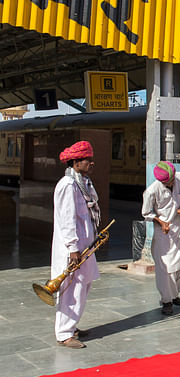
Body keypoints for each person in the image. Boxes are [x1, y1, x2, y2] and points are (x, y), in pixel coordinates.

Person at [52, 141, 100, 349]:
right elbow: (67, 219)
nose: (91, 162)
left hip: (85, 245)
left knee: (83, 286)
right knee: (72, 289)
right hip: (74, 249)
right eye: (87, 159)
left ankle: (72, 325)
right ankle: (64, 333)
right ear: (76, 162)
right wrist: (73, 249)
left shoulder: (83, 182)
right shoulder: (68, 185)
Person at [142, 161, 180, 316]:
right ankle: (167, 301)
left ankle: (174, 294)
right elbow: (146, 213)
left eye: (172, 180)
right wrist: (161, 222)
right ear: (161, 181)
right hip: (163, 232)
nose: (171, 183)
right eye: (167, 182)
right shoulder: (152, 190)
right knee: (166, 269)